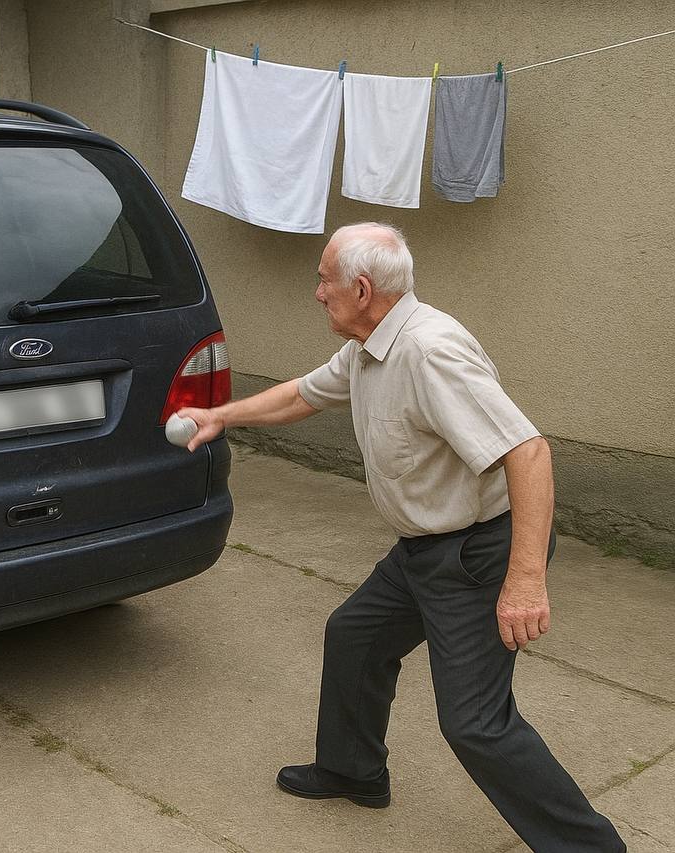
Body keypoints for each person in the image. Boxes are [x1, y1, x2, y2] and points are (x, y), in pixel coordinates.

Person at [179, 223, 623, 851]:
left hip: (477, 553)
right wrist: (219, 415)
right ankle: (352, 769)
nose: (316, 291)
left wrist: (525, 578)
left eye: (323, 278)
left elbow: (529, 453)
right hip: (424, 547)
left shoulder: (429, 352)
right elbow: (304, 396)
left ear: (361, 289)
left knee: (476, 724)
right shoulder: (369, 345)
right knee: (355, 635)